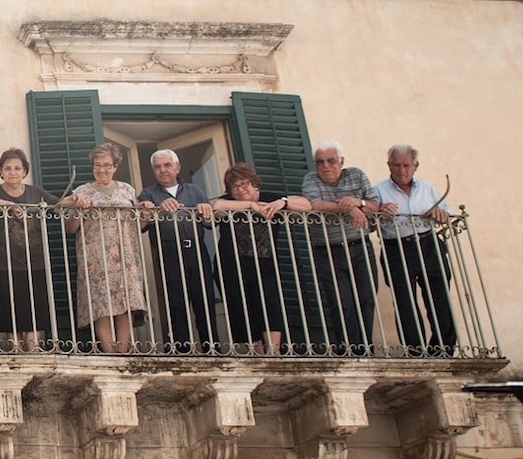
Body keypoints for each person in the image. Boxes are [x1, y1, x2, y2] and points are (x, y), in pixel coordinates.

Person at [211, 163, 310, 355]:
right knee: (240, 309)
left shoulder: (271, 199)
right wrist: (250, 206)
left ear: (254, 182)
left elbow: (307, 205)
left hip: (265, 265)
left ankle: (273, 353)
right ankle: (255, 354)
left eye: (244, 184)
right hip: (230, 267)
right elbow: (217, 206)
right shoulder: (228, 201)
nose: (240, 189)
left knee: (270, 305)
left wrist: (282, 202)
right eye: (235, 186)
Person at [376, 144, 458, 356]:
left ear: (415, 166)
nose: (401, 170)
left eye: (406, 165)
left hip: (429, 244)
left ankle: (443, 349)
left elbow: (446, 212)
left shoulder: (427, 188)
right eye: (396, 165)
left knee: (439, 299)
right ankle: (415, 352)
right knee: (405, 302)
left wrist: (440, 214)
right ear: (388, 165)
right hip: (397, 248)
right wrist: (380, 213)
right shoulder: (378, 191)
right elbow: (369, 224)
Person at [65, 143, 147, 354]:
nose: (102, 169)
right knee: (101, 302)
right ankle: (108, 348)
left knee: (126, 300)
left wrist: (147, 215)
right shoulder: (82, 191)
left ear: (115, 166)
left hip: (125, 253)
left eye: (107, 165)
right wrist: (80, 211)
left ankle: (123, 347)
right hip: (95, 255)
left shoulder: (127, 189)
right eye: (97, 165)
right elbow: (70, 228)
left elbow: (137, 224)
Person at [301, 141, 381, 355]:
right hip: (328, 249)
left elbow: (374, 205)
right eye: (320, 162)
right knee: (341, 301)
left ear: (342, 162)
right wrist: (351, 208)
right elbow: (314, 204)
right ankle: (349, 347)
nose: (325, 166)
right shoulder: (310, 179)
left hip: (360, 246)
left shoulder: (356, 175)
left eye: (331, 161)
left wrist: (358, 203)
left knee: (366, 297)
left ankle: (364, 347)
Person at [0, 148, 62, 351]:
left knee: (36, 313)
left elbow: (58, 205)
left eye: (17, 168)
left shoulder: (36, 192)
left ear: (24, 171)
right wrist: (9, 205)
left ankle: (33, 352)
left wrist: (75, 200)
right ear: (0, 172)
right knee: (11, 313)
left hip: (36, 262)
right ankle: (16, 350)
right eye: (7, 168)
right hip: (5, 263)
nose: (12, 172)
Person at [137, 149, 218, 354]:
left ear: (177, 167)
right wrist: (158, 209)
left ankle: (213, 350)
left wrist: (207, 212)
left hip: (197, 250)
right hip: (168, 251)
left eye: (167, 165)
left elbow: (209, 223)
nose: (162, 170)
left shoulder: (194, 190)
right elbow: (140, 225)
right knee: (176, 302)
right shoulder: (148, 194)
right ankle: (181, 351)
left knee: (204, 300)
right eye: (157, 167)